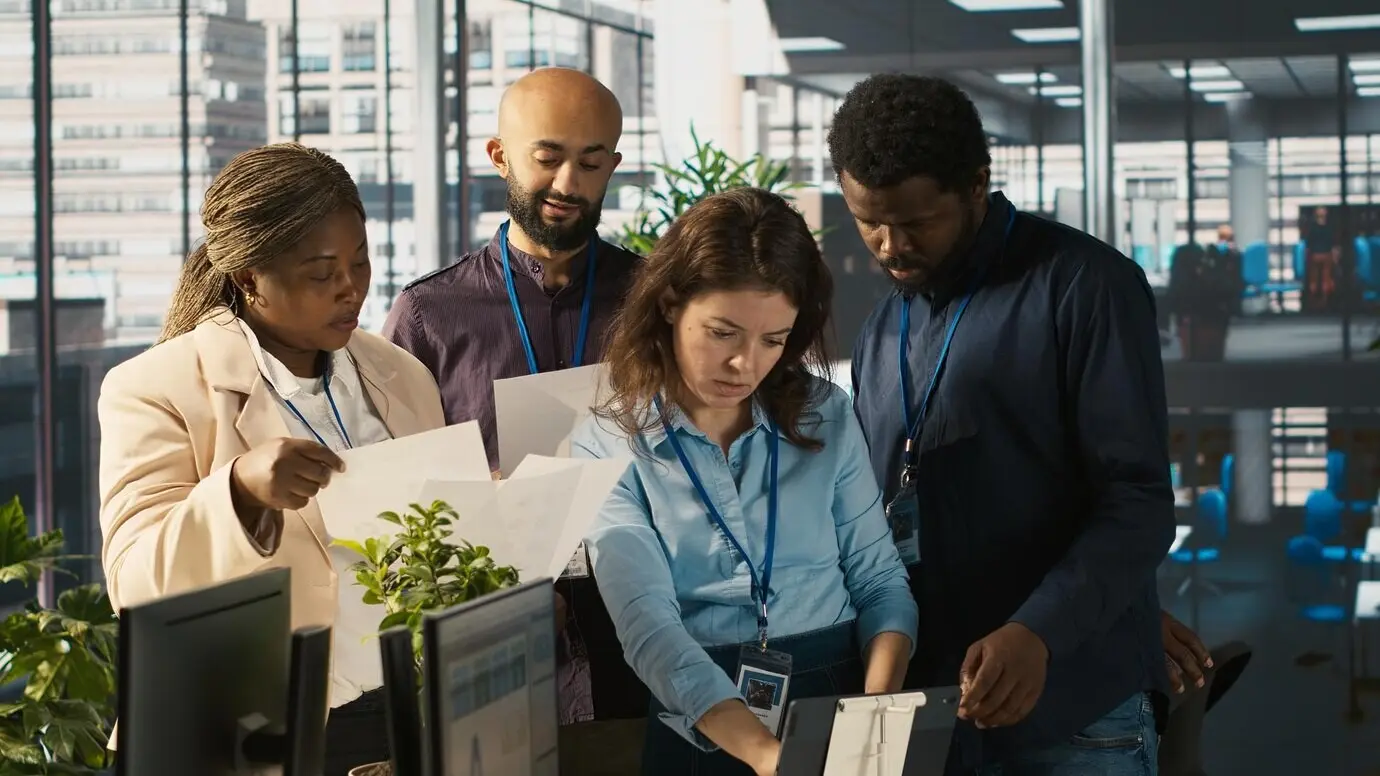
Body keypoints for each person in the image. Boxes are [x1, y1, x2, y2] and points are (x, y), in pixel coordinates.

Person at [830, 74, 1175, 774]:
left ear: (978, 185)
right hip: (937, 714)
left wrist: (1042, 629)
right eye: (869, 221)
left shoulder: (1085, 286)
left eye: (917, 222)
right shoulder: (880, 327)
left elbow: (1137, 501)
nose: (891, 246)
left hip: (1075, 711)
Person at [97, 143, 446, 776]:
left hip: (400, 719)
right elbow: (134, 587)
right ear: (249, 278)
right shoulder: (154, 387)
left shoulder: (404, 377)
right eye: (321, 273)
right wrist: (237, 493)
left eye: (361, 263)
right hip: (247, 739)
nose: (351, 288)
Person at [570, 188, 918, 776]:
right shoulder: (605, 442)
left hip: (837, 701)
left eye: (774, 341)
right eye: (723, 332)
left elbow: (881, 582)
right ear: (670, 304)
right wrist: (769, 757)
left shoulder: (824, 414)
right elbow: (649, 628)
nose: (746, 365)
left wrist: (869, 722)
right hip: (697, 714)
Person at [382, 66, 647, 770]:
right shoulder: (429, 316)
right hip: (491, 641)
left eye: (591, 163)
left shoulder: (656, 302)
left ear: (612, 167)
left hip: (643, 629)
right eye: (548, 156)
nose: (568, 182)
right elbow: (395, 503)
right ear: (500, 155)